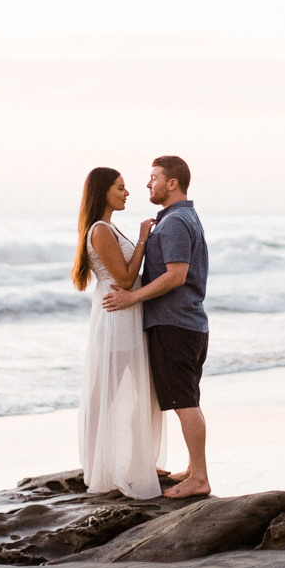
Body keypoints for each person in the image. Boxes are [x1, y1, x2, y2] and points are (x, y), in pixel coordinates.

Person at [103, 155, 211, 498]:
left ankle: (200, 478)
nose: (148, 184)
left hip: (175, 323)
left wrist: (132, 299)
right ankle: (194, 470)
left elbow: (176, 276)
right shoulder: (177, 218)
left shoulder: (176, 221)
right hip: (185, 322)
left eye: (153, 178)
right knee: (187, 398)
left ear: (172, 183)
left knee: (184, 401)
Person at [71, 167, 165, 498]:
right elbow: (125, 279)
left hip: (126, 317)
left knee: (135, 392)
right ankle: (100, 468)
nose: (127, 193)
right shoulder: (99, 230)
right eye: (120, 188)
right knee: (108, 395)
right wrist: (142, 238)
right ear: (103, 192)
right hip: (116, 321)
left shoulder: (109, 227)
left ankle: (134, 461)